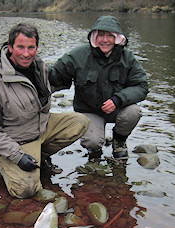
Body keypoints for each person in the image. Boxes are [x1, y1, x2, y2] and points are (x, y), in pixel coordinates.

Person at [0, 22, 89, 198]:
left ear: (37, 47)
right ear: (10, 47)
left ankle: (38, 155)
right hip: (17, 139)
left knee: (80, 122)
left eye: (31, 47)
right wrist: (18, 156)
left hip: (41, 126)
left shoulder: (39, 66)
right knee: (25, 191)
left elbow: (60, 78)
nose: (26, 53)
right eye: (20, 47)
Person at [49, 15, 148, 160]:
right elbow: (55, 74)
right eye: (101, 35)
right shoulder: (78, 55)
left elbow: (141, 86)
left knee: (134, 112)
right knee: (92, 142)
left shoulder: (128, 58)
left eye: (110, 35)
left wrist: (118, 100)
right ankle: (95, 150)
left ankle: (119, 140)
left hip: (117, 108)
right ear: (94, 37)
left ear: (117, 38)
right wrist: (33, 66)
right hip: (89, 111)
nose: (105, 40)